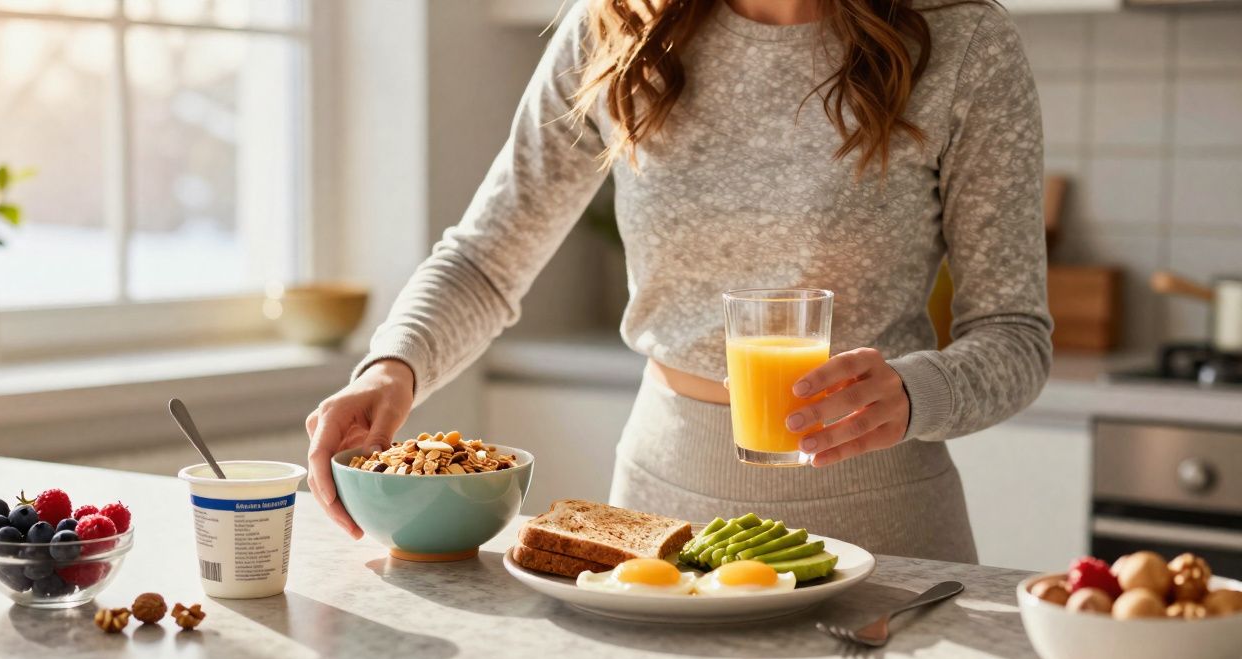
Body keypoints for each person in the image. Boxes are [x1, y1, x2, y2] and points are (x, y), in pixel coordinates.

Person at [305, 0, 1051, 563]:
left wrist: (916, 392)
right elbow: (484, 259)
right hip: (661, 517)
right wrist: (390, 369)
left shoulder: (963, 45)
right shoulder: (618, 28)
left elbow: (1015, 335)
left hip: (884, 525)